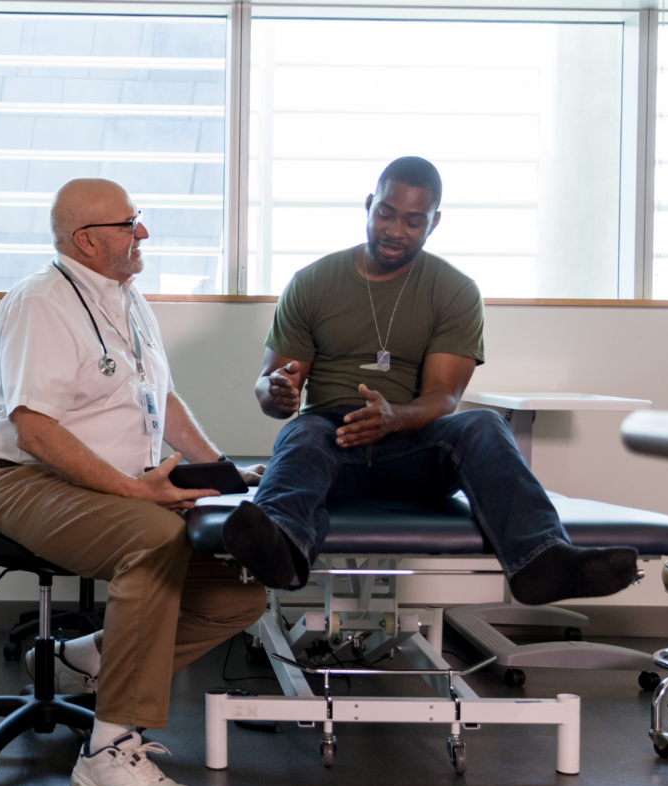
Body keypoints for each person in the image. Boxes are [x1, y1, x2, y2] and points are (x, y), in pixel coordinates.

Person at [0, 177, 266, 786]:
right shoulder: (40, 302)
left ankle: (86, 659)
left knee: (238, 593)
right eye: (130, 222)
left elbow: (164, 401)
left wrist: (219, 472)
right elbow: (35, 429)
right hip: (21, 479)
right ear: (86, 239)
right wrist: (137, 492)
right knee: (153, 538)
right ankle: (107, 753)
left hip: (119, 483)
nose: (144, 233)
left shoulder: (130, 301)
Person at [223, 156, 640, 605]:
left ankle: (542, 561)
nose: (395, 230)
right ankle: (281, 549)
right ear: (369, 205)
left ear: (433, 222)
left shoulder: (455, 290)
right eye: (385, 213)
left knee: (483, 424)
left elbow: (444, 396)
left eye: (413, 220)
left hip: (413, 449)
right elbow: (274, 388)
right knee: (301, 430)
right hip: (332, 439)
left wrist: (394, 417)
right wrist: (274, 391)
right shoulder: (311, 283)